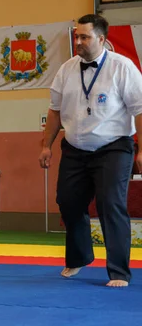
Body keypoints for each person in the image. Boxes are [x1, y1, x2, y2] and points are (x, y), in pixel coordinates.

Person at [39, 14, 142, 288]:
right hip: (75, 148)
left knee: (110, 203)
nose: (78, 42)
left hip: (114, 147)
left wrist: (141, 150)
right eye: (76, 37)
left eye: (84, 37)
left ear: (101, 39)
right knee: (68, 201)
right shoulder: (66, 69)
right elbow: (54, 111)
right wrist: (46, 146)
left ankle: (119, 271)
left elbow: (140, 110)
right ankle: (79, 257)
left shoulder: (123, 67)